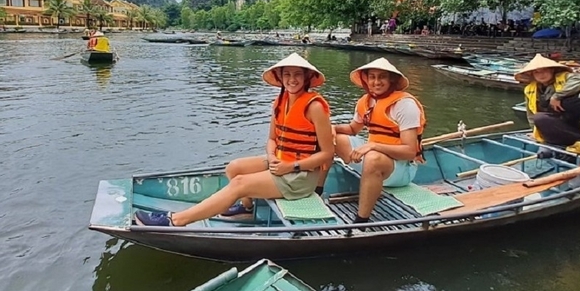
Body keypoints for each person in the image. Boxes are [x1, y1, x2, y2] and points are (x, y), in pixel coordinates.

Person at [133, 53, 334, 226]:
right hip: (281, 162)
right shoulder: (280, 102)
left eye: (298, 74)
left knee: (239, 183)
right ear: (280, 77)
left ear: (306, 77)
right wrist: (272, 156)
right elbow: (272, 139)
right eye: (287, 74)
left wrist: (290, 167)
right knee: (234, 168)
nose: (292, 79)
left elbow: (327, 153)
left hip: (300, 176)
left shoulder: (315, 107)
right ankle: (247, 208)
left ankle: (175, 220)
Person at [325, 58, 426, 224]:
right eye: (372, 77)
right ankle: (318, 189)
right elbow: (352, 129)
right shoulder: (365, 102)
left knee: (373, 158)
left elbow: (409, 152)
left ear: (391, 79)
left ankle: (361, 221)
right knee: (334, 139)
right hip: (374, 159)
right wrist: (330, 128)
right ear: (366, 79)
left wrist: (373, 146)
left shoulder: (404, 105)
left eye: (382, 77)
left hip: (401, 169)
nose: (376, 82)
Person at [515, 54, 580, 155]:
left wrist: (557, 96)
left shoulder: (564, 77)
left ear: (552, 70)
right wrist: (534, 131)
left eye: (545, 70)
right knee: (539, 118)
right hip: (562, 122)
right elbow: (530, 113)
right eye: (536, 72)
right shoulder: (530, 89)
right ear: (532, 74)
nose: (541, 74)